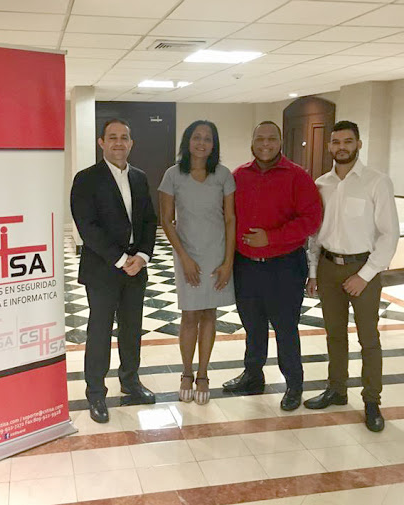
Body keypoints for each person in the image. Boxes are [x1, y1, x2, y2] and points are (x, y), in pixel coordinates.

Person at [304, 120, 399, 432]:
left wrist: (366, 275)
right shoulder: (321, 184)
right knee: (334, 335)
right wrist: (314, 272)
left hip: (363, 268)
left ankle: (372, 400)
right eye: (336, 142)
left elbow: (389, 234)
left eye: (348, 141)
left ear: (358, 144)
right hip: (328, 267)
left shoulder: (377, 181)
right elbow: (315, 234)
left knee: (368, 339)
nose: (341, 147)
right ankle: (337, 389)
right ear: (330, 146)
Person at [222, 121, 322, 411]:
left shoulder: (298, 176)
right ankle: (253, 376)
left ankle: (294, 384)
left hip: (284, 267)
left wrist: (271, 237)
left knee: (285, 328)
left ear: (280, 142)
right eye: (260, 138)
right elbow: (226, 216)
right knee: (252, 326)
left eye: (271, 138)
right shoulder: (238, 176)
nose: (265, 144)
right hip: (246, 267)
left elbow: (311, 220)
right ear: (252, 142)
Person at [70, 118, 157, 423]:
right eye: (112, 137)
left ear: (131, 143)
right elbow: (87, 227)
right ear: (102, 143)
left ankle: (130, 381)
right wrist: (121, 259)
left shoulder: (140, 178)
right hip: (103, 269)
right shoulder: (86, 179)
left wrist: (142, 256)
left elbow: (149, 220)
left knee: (132, 329)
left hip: (136, 268)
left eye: (124, 137)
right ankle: (96, 392)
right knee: (100, 331)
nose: (119, 142)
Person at [159, 120, 235, 405]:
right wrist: (184, 258)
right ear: (187, 142)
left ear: (214, 145)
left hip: (216, 254)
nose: (201, 143)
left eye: (207, 138)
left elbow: (230, 219)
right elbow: (166, 220)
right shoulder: (173, 175)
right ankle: (187, 373)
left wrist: (228, 262)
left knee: (209, 314)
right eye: (196, 137)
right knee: (189, 314)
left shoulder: (223, 175)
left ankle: (203, 374)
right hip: (186, 254)